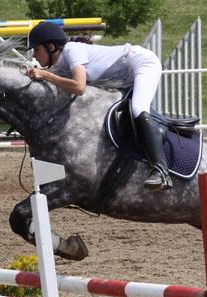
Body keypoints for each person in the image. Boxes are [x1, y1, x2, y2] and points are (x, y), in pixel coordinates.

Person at [26, 21, 171, 190]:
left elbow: (79, 87)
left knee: (138, 108)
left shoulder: (72, 49)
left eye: (37, 50)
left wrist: (46, 75)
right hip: (124, 80)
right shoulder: (59, 66)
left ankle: (161, 171)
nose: (34, 55)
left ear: (51, 47)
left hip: (142, 63)